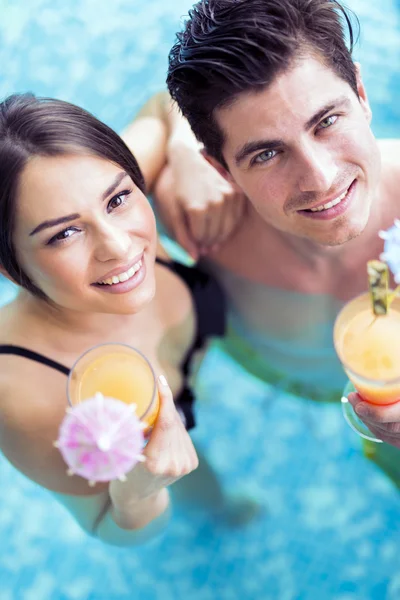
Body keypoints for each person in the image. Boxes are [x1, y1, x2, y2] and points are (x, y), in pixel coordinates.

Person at [140, 0, 400, 478]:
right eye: (266, 154)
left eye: (327, 121)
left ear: (362, 93)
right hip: (279, 376)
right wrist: (174, 137)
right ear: (220, 169)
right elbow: (43, 218)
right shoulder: (205, 219)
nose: (320, 179)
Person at [0, 93, 227, 546]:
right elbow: (104, 525)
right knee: (214, 502)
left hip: (205, 368)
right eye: (64, 234)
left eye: (119, 199)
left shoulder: (86, 176)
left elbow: (170, 102)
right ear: (10, 269)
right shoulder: (22, 396)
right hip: (156, 456)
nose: (121, 247)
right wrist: (137, 490)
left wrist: (185, 151)